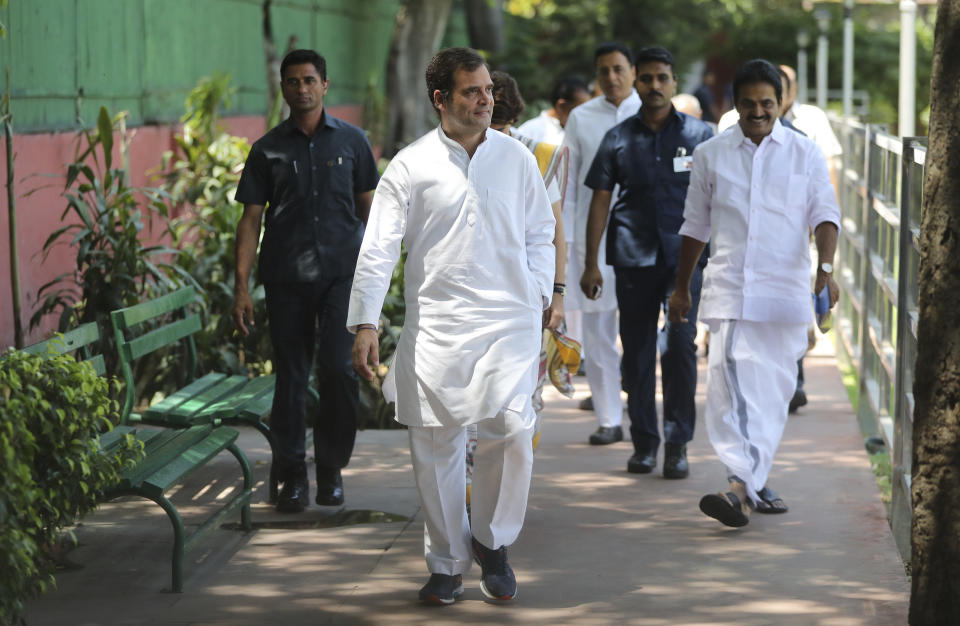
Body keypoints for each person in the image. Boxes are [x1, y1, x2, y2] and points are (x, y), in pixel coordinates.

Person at [348, 48, 555, 604]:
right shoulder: (410, 165)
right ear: (441, 99)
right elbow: (378, 248)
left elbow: (541, 231)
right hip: (438, 322)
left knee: (511, 430)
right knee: (435, 442)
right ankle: (445, 561)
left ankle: (493, 541)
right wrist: (366, 321)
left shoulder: (515, 159)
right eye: (472, 91)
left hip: (510, 318)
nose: (486, 99)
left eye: (488, 89)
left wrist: (539, 290)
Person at [668, 59, 840, 527]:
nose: (759, 111)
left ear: (781, 101)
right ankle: (740, 485)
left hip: (784, 293)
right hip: (728, 290)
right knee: (728, 390)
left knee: (772, 392)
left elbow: (825, 213)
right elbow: (695, 227)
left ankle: (748, 485)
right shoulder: (711, 154)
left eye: (768, 102)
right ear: (733, 104)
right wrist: (682, 287)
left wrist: (826, 269)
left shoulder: (804, 153)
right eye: (750, 104)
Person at [232, 49, 379, 513]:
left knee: (338, 370)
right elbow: (250, 219)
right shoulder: (267, 149)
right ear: (283, 88)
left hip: (342, 276)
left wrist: (377, 278)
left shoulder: (353, 142)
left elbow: (370, 211)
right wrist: (241, 285)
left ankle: (331, 469)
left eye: (309, 80)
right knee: (291, 377)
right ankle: (291, 473)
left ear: (325, 85)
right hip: (286, 277)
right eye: (292, 81)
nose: (302, 88)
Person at [581, 46, 714, 478]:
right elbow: (600, 199)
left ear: (674, 82)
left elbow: (720, 200)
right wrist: (591, 262)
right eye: (648, 79)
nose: (655, 86)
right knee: (636, 353)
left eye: (663, 78)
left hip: (684, 264)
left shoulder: (700, 137)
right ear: (637, 81)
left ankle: (677, 445)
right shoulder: (618, 138)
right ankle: (643, 444)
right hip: (633, 258)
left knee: (679, 348)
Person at [463, 69, 568, 506]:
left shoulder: (536, 155)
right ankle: (478, 495)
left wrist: (556, 293)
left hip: (523, 297)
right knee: (491, 403)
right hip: (482, 299)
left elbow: (553, 231)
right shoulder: (456, 152)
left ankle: (493, 493)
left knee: (513, 401)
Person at [561, 42, 640, 445]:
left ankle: (642, 411)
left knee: (643, 333)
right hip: (593, 245)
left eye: (618, 69)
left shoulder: (650, 112)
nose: (611, 77)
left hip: (643, 244)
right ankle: (610, 418)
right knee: (598, 331)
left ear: (632, 70)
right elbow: (570, 185)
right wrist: (571, 245)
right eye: (603, 70)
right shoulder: (581, 117)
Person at [517, 75, 590, 345]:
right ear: (561, 105)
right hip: (544, 228)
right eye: (579, 107)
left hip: (575, 224)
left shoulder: (576, 128)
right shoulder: (534, 132)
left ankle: (575, 350)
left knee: (576, 296)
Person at [517, 75, 591, 145]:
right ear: (562, 106)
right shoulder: (530, 131)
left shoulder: (580, 132)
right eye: (581, 110)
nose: (584, 116)